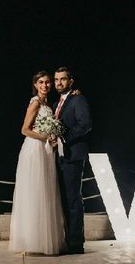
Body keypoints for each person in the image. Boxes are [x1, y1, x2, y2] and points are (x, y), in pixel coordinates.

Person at [8, 71, 65, 255]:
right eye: (41, 82)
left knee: (45, 192)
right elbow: (24, 129)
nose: (45, 85)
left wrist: (53, 138)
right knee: (34, 192)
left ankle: (43, 240)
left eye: (48, 82)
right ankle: (31, 240)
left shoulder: (48, 104)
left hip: (45, 150)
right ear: (35, 84)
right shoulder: (35, 102)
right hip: (34, 149)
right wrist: (45, 136)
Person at [53, 66, 92, 254]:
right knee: (64, 201)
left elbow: (85, 124)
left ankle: (76, 244)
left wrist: (64, 138)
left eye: (63, 79)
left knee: (73, 200)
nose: (59, 83)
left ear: (71, 81)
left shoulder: (78, 99)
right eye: (56, 79)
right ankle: (67, 239)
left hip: (73, 156)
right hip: (60, 157)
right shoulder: (56, 104)